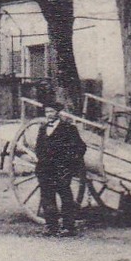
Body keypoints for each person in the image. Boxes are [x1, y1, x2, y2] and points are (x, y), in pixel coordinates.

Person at [33, 96, 87, 236]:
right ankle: (51, 226)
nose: (49, 114)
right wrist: (41, 161)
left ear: (58, 112)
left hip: (62, 169)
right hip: (45, 169)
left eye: (51, 111)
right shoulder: (43, 128)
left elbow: (80, 148)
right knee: (47, 197)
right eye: (46, 112)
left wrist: (69, 164)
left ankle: (68, 227)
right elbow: (38, 147)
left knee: (65, 197)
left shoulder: (69, 128)